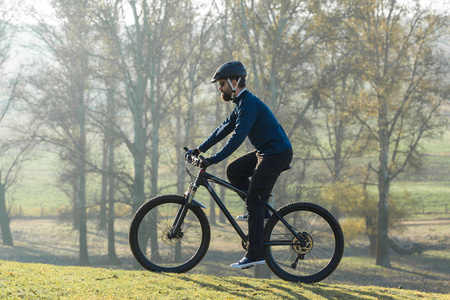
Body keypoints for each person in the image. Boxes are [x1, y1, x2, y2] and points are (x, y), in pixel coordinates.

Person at [186, 61, 293, 269]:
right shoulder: (241, 104)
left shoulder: (249, 104)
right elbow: (224, 128)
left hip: (276, 154)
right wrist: (199, 149)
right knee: (234, 171)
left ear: (234, 83)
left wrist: (213, 159)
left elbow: (237, 138)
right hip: (267, 151)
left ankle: (255, 254)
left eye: (222, 83)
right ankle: (259, 212)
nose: (220, 88)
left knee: (254, 200)